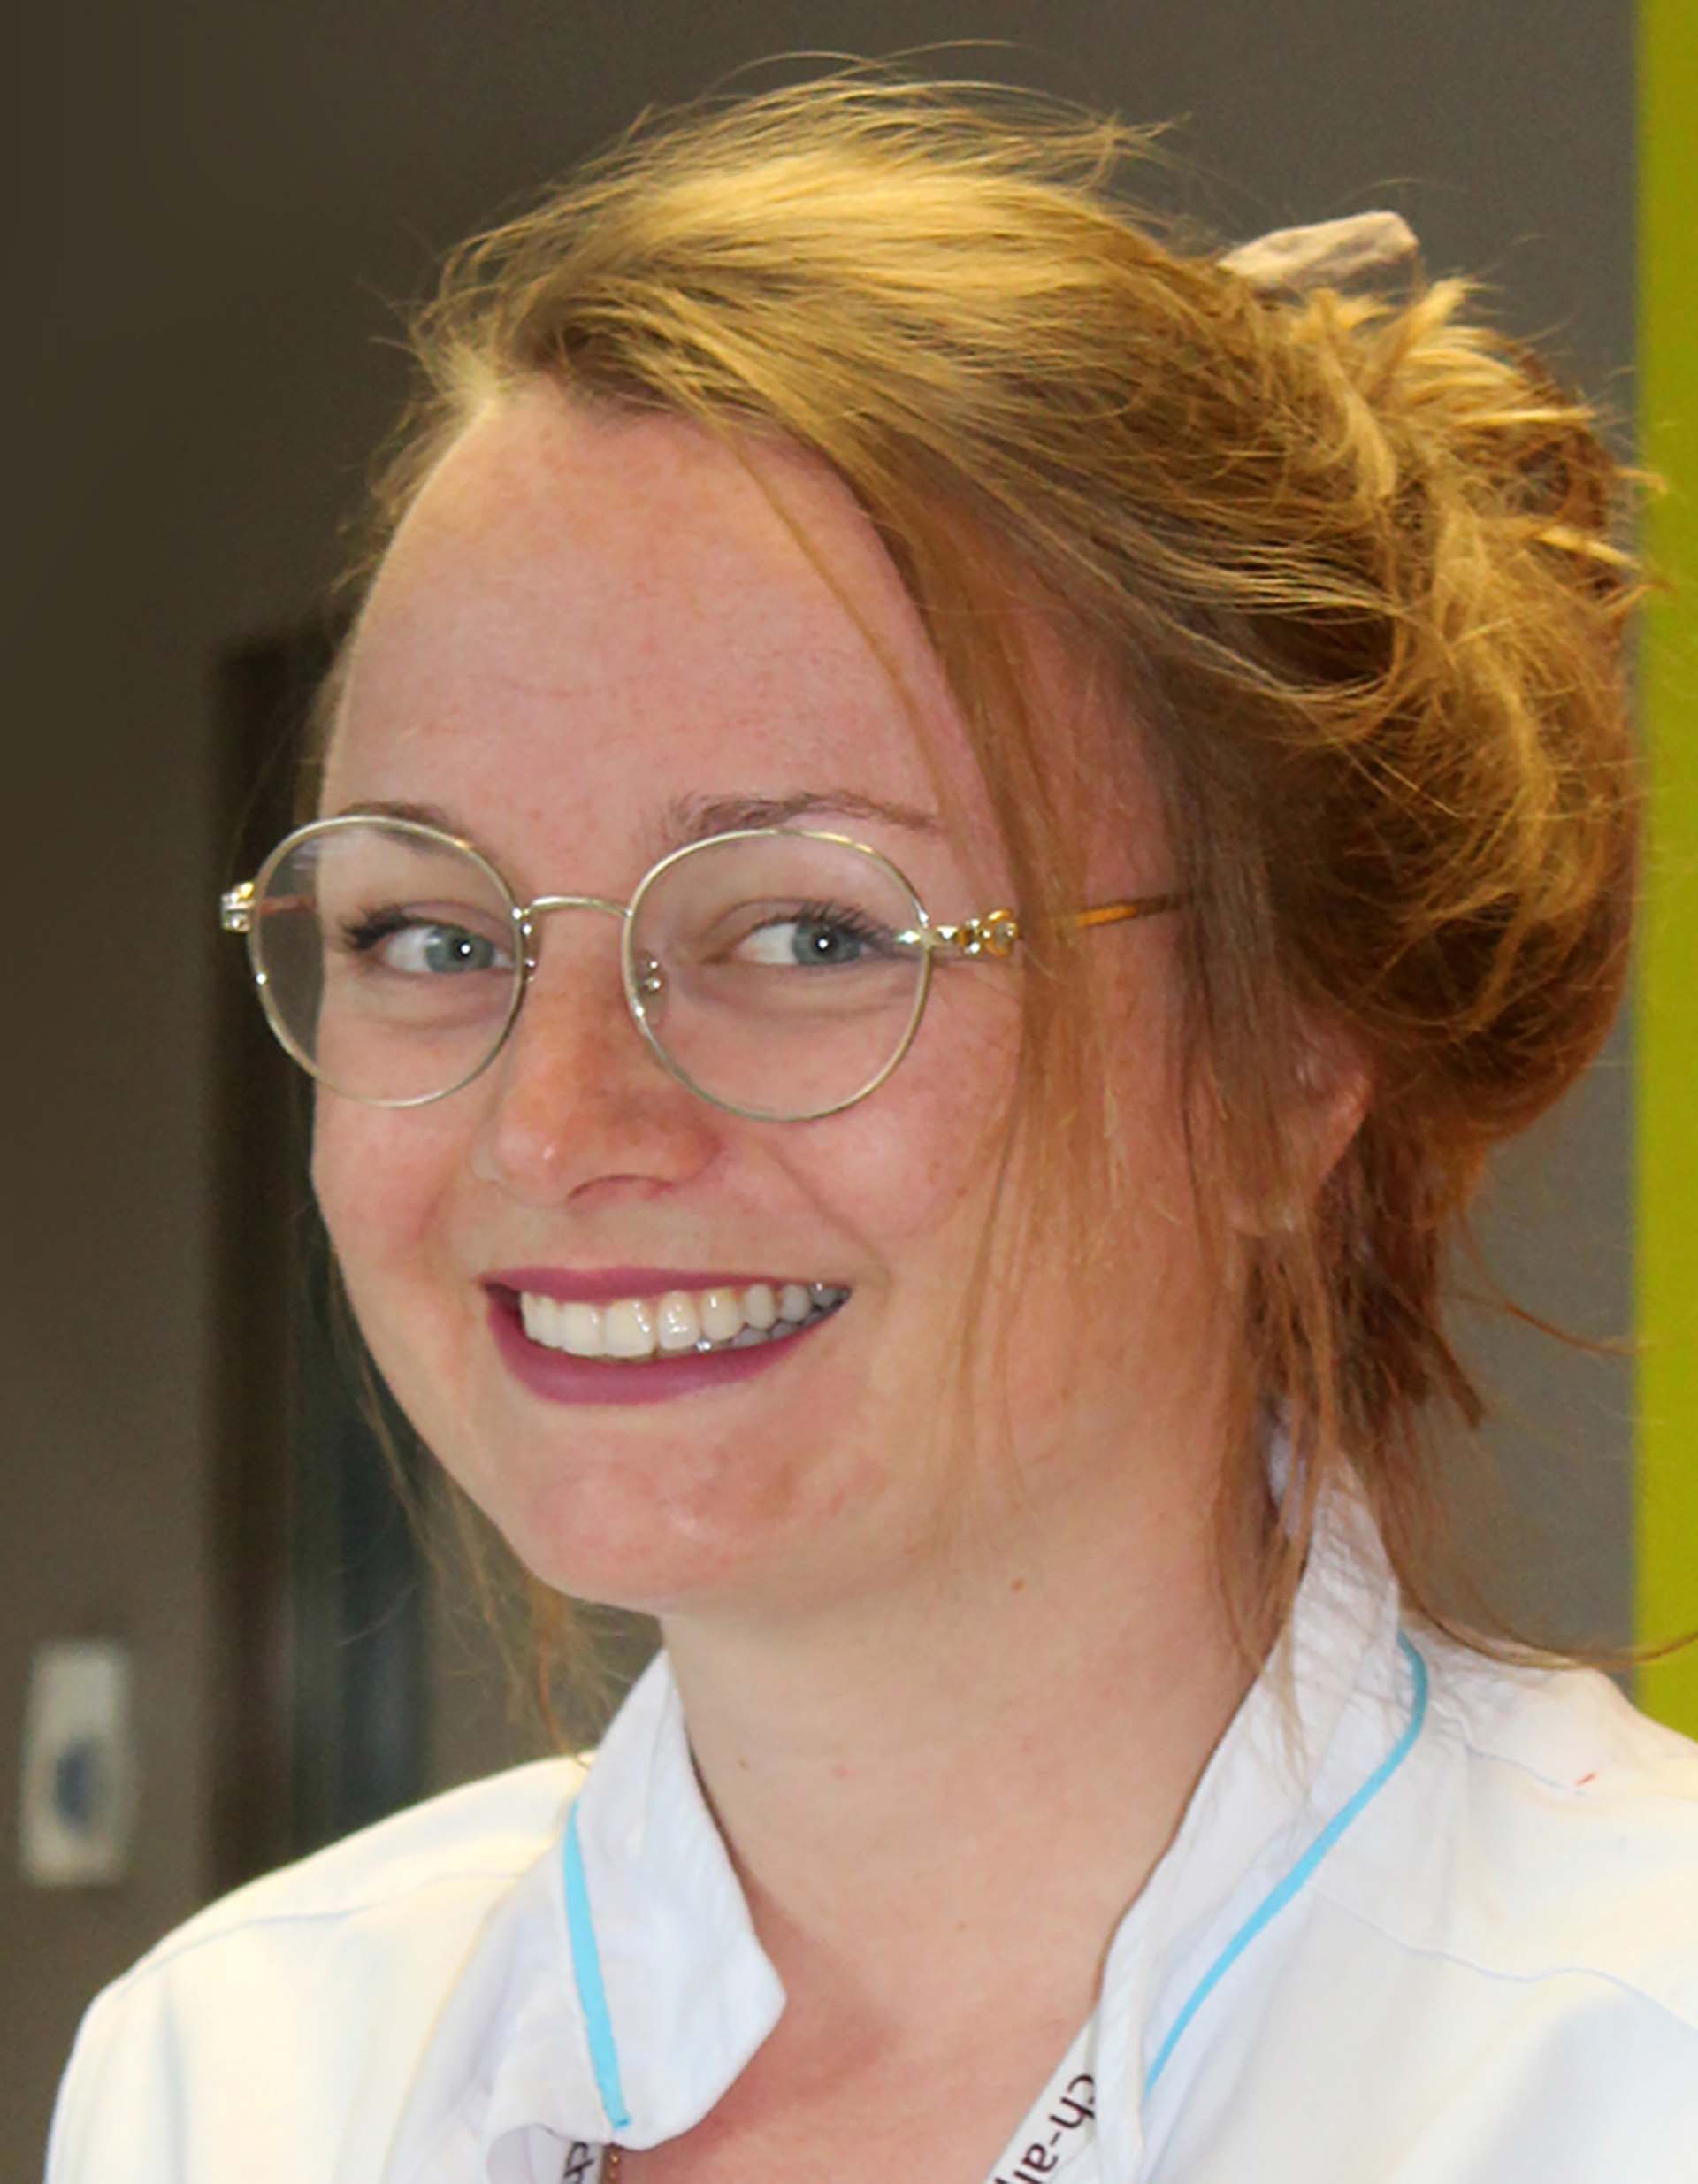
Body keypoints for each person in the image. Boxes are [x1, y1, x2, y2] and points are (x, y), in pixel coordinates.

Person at [48, 73, 1698, 2184]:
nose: (554, 1123)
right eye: (430, 934)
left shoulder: (1622, 2075)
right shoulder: (236, 2075)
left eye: (813, 929)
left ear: (1289, 1061)